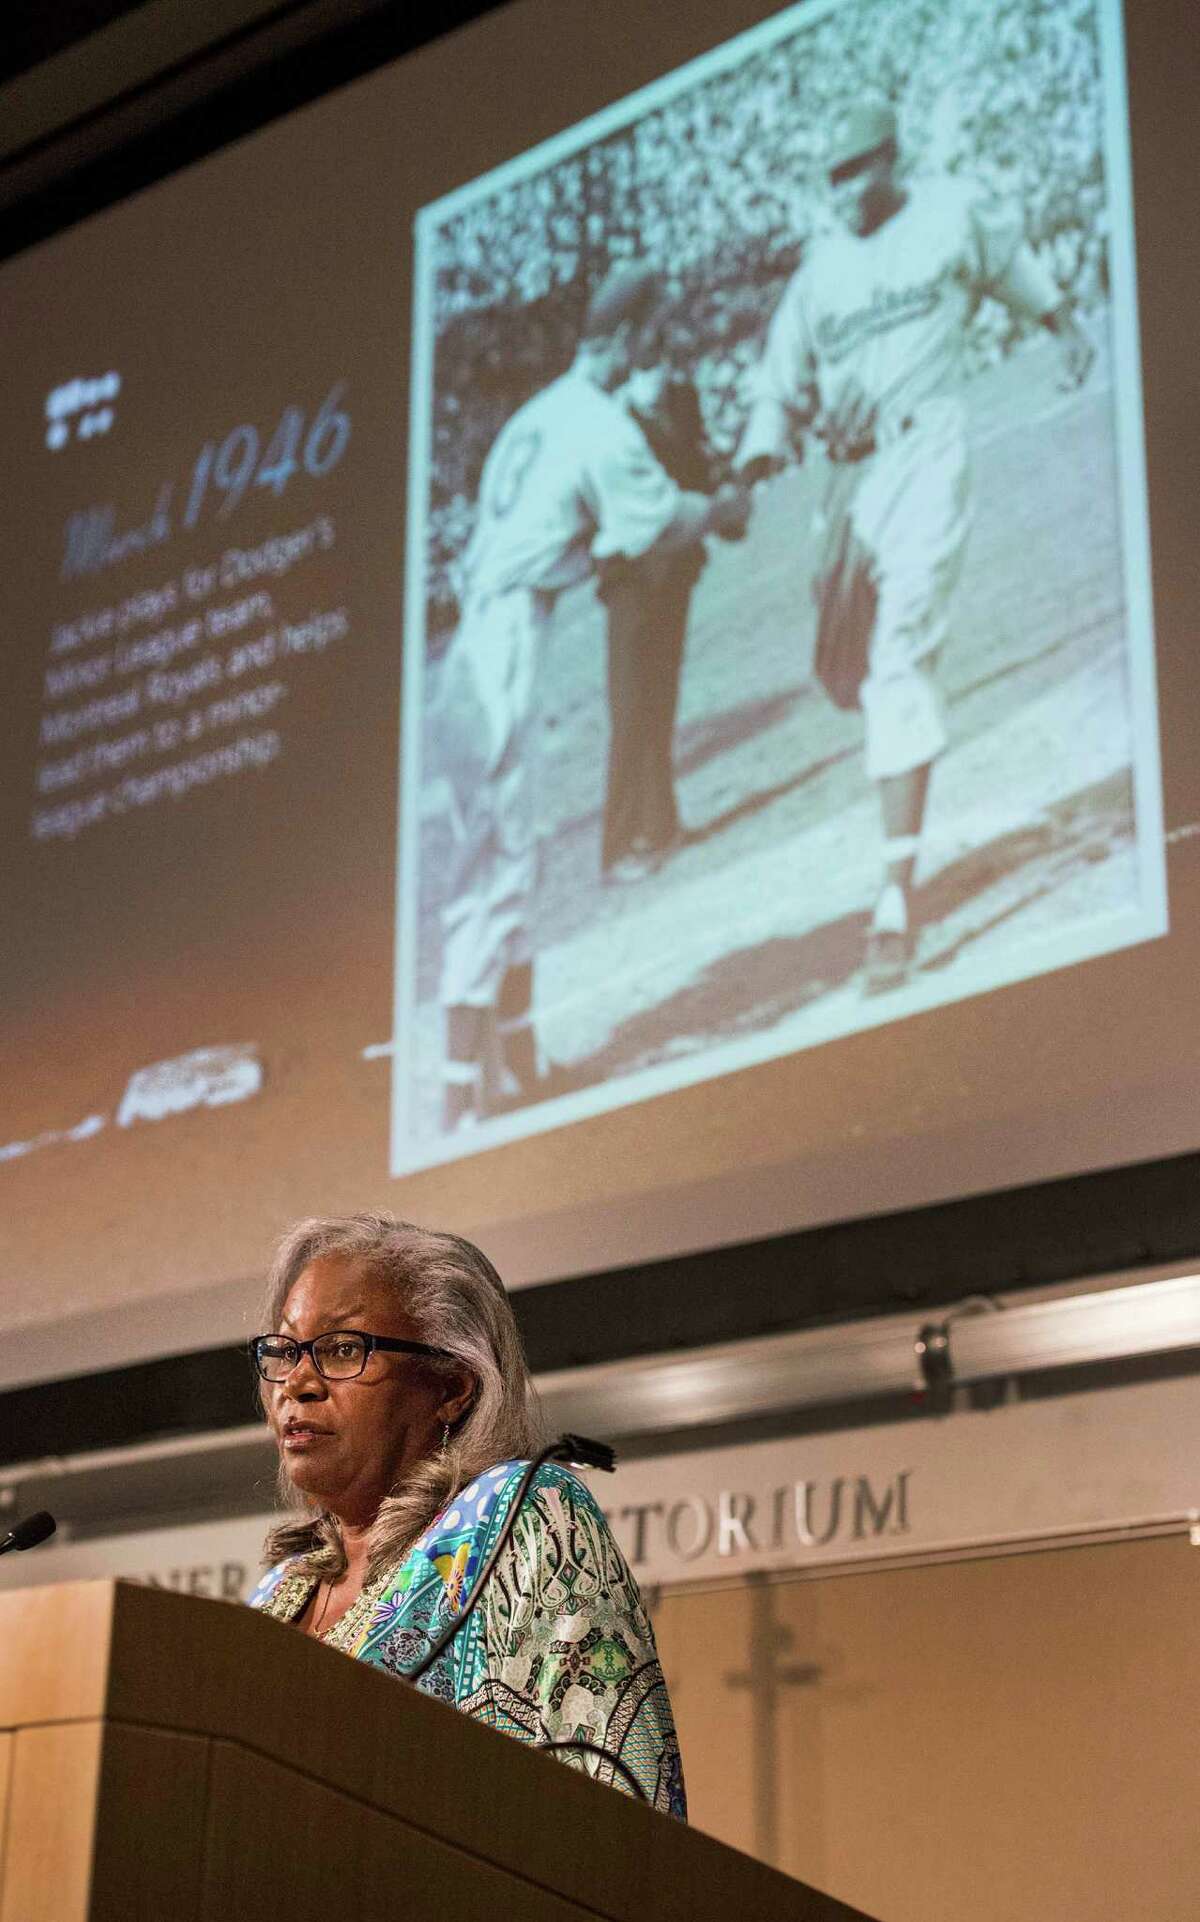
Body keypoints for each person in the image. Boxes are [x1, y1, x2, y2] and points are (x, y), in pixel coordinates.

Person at [736, 100, 1094, 993]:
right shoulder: (819, 273)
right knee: (844, 675)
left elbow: (1009, 264)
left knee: (899, 660)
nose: (848, 190)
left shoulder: (948, 213)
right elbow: (778, 384)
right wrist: (758, 455)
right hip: (851, 479)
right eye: (835, 177)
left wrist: (1065, 324)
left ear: (891, 161)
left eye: (860, 169)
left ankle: (894, 901)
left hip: (929, 447)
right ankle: (896, 791)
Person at [436, 262, 750, 1128]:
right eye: (645, 339)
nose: (652, 356)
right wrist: (719, 508)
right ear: (620, 339)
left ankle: (520, 1068)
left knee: (510, 859)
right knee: (494, 874)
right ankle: (462, 1096)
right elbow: (653, 522)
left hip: (479, 641)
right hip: (500, 647)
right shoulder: (600, 422)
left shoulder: (536, 414)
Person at [247, 1211, 686, 1815]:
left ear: (453, 1387)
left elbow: (620, 1806)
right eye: (284, 1351)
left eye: (342, 1349)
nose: (296, 1383)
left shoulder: (522, 1516)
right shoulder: (277, 1591)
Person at [598, 323, 716, 881]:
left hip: (675, 569)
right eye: (647, 365)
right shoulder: (609, 422)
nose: (657, 375)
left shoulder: (682, 400)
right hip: (630, 576)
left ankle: (661, 823)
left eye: (662, 363)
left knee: (660, 698)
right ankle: (618, 843)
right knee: (629, 709)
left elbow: (696, 463)